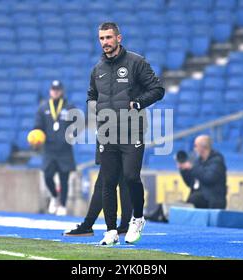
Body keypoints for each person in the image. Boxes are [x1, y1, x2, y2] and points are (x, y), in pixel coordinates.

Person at [87, 22, 165, 245]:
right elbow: (91, 95)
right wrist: (95, 110)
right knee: (108, 182)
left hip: (132, 130)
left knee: (131, 177)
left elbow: (158, 90)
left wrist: (138, 103)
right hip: (107, 131)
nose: (105, 42)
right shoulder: (97, 69)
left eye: (109, 38)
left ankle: (138, 219)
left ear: (119, 38)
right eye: (101, 38)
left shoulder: (136, 62)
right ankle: (111, 231)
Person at [63, 141, 133, 236]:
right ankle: (125, 225)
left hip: (113, 138)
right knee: (124, 183)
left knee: (103, 184)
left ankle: (88, 225)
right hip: (128, 139)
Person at [34, 80, 76, 216]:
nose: (55, 91)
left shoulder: (69, 108)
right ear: (50, 91)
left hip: (64, 149)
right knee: (47, 176)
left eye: (58, 89)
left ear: (62, 91)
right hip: (49, 149)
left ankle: (63, 205)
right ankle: (54, 196)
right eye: (53, 89)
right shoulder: (43, 108)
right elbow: (38, 127)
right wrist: (36, 137)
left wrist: (71, 135)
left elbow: (76, 126)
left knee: (64, 179)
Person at [178, 135, 227, 209]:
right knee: (180, 204)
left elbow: (208, 178)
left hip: (212, 199)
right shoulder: (198, 161)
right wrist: (183, 170)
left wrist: (192, 167)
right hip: (199, 197)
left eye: (195, 146)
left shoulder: (217, 161)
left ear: (202, 147)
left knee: (194, 199)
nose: (194, 149)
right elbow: (191, 183)